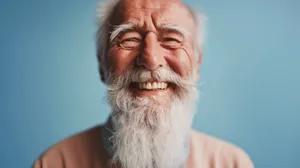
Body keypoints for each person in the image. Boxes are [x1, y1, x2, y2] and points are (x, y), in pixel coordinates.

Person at [33, 0, 254, 167]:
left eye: (171, 39)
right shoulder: (55, 163)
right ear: (102, 64)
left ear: (196, 63)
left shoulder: (231, 163)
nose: (150, 60)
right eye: (129, 39)